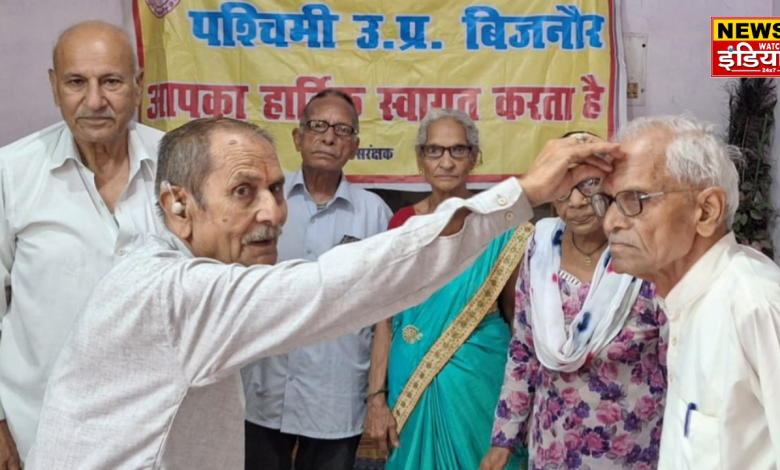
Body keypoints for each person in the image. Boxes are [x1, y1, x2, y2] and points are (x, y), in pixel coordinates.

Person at [24, 117, 615, 470]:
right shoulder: (175, 292)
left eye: (276, 189)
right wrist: (522, 192)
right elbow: (340, 285)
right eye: (242, 191)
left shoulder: (162, 270)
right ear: (178, 206)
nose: (271, 213)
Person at [0, 21, 163, 468]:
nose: (94, 101)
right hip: (38, 434)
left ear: (138, 85)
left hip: (155, 438)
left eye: (111, 81)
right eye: (76, 82)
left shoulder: (180, 168)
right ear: (55, 87)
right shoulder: (11, 174)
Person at [590, 115, 780, 470]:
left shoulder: (756, 304)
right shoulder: (682, 299)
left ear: (706, 211)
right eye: (610, 201)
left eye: (635, 200)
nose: (610, 222)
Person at [480, 131, 667, 469]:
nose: (577, 202)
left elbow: (678, 364)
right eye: (564, 190)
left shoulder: (644, 258)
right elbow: (524, 351)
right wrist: (503, 440)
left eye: (589, 184)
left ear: (612, 185)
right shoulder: (540, 249)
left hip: (633, 449)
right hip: (553, 445)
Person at [363, 109, 530, 470]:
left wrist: (525, 397)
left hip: (480, 375)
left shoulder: (501, 225)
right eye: (435, 151)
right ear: (421, 158)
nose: (446, 162)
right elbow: (384, 318)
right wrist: (376, 397)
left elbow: (516, 317)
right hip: (411, 371)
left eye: (458, 151)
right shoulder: (402, 224)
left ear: (474, 157)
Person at [241, 90, 392, 470]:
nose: (329, 137)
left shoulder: (374, 215)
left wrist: (376, 395)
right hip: (262, 389)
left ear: (355, 146)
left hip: (335, 395)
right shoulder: (262, 203)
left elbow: (384, 314)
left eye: (342, 130)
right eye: (318, 126)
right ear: (298, 137)